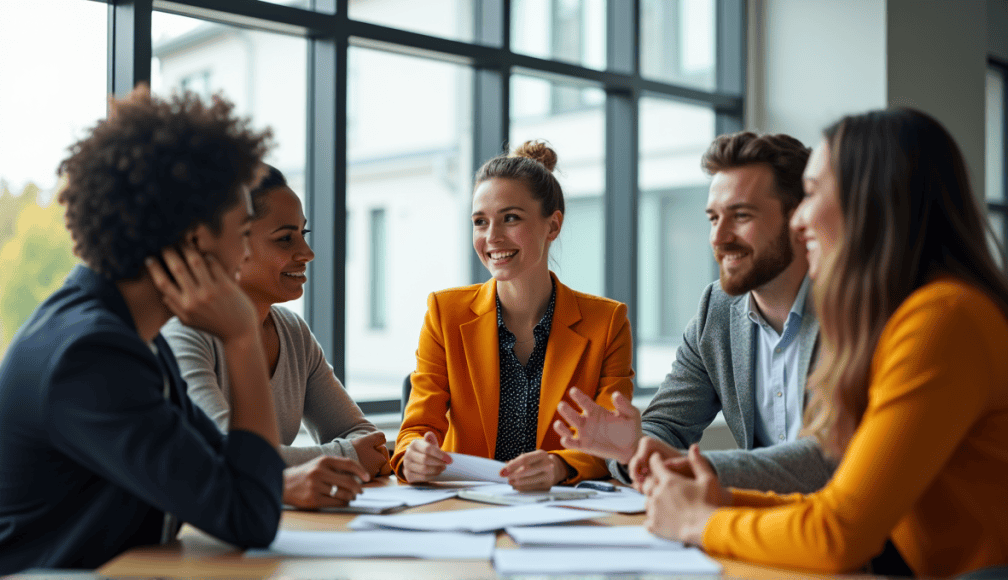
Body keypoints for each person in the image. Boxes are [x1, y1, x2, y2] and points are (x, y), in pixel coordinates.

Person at [0, 87, 362, 576]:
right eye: (243, 229)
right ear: (195, 236)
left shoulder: (134, 337)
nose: (245, 251)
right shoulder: (90, 354)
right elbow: (251, 515)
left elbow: (229, 470)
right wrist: (243, 339)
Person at [641, 108, 1008, 577]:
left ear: (871, 202)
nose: (800, 221)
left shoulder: (941, 319)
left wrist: (701, 520)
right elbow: (845, 502)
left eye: (812, 194)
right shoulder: (916, 313)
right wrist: (723, 499)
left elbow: (838, 533)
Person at [554, 132, 833, 494]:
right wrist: (633, 447)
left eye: (741, 215)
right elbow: (664, 426)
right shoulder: (716, 311)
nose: (719, 237)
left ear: (798, 218)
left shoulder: (852, 307)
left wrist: (690, 467)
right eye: (713, 218)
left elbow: (831, 457)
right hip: (757, 531)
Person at [391, 141, 635, 491]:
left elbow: (613, 440)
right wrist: (412, 456)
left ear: (552, 226)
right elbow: (414, 431)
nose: (492, 237)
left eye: (511, 218)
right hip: (462, 508)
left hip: (558, 510)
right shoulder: (445, 314)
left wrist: (559, 465)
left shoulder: (607, 323)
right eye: (480, 221)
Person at [163, 164, 388, 509]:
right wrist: (346, 456)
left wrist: (345, 455)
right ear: (230, 243)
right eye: (285, 238)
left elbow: (367, 441)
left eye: (303, 233)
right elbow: (221, 453)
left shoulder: (293, 332)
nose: (307, 253)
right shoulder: (183, 334)